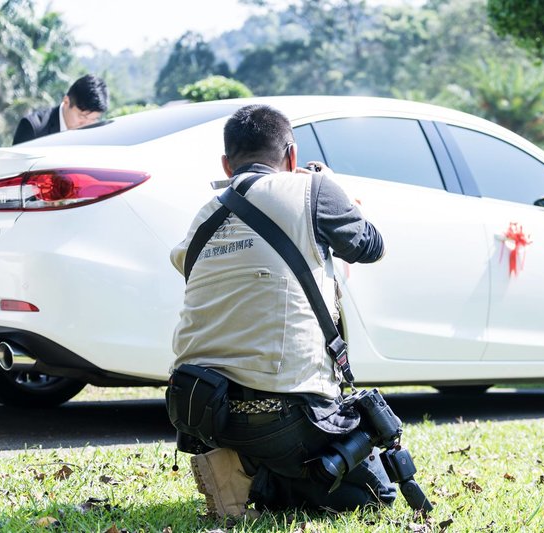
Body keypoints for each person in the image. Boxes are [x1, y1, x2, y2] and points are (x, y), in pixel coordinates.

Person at [169, 104, 395, 517]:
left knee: (303, 464)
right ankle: (254, 471)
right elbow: (371, 246)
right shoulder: (312, 190)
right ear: (292, 157)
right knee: (375, 498)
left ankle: (235, 464)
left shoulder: (204, 214)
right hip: (285, 410)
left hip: (199, 407)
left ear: (226, 164)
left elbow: (184, 264)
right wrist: (333, 187)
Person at [12, 74, 109, 145]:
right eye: (82, 116)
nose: (87, 124)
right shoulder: (34, 128)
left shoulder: (96, 135)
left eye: (94, 119)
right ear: (66, 101)